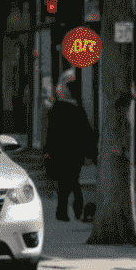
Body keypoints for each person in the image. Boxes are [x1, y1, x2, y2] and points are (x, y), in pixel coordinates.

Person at [45, 77, 94, 222]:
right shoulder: (78, 111)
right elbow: (86, 133)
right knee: (72, 179)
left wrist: (48, 150)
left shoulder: (57, 110)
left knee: (65, 181)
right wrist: (89, 152)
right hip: (75, 153)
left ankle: (64, 210)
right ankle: (74, 206)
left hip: (60, 152)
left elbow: (51, 133)